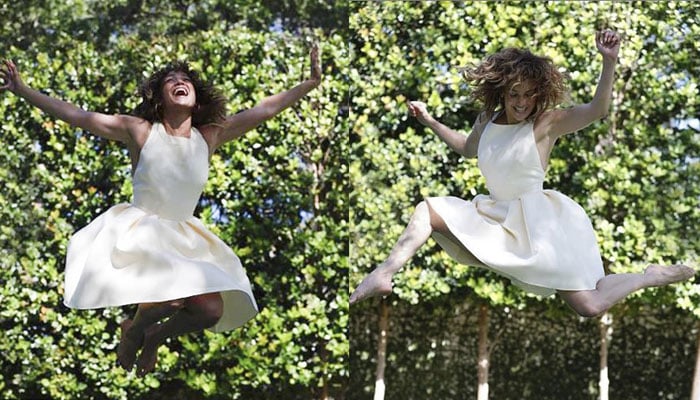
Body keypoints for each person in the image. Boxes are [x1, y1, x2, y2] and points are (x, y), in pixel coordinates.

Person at [1, 44, 321, 376]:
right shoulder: (140, 130)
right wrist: (23, 90)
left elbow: (265, 110)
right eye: (171, 80)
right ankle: (134, 332)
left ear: (197, 98)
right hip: (143, 231)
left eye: (186, 79)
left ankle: (151, 336)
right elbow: (78, 116)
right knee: (171, 297)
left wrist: (309, 83)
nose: (179, 82)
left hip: (183, 235)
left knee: (210, 310)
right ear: (159, 98)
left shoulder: (209, 136)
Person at [349, 31, 694, 316]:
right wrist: (430, 121)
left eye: (529, 95)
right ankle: (384, 272)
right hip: (495, 215)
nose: (521, 102)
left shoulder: (546, 124)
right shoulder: (487, 120)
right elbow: (467, 148)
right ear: (501, 91)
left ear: (539, 94)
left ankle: (648, 277)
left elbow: (597, 110)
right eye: (514, 94)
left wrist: (609, 61)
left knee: (588, 305)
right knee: (427, 210)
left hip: (538, 224)